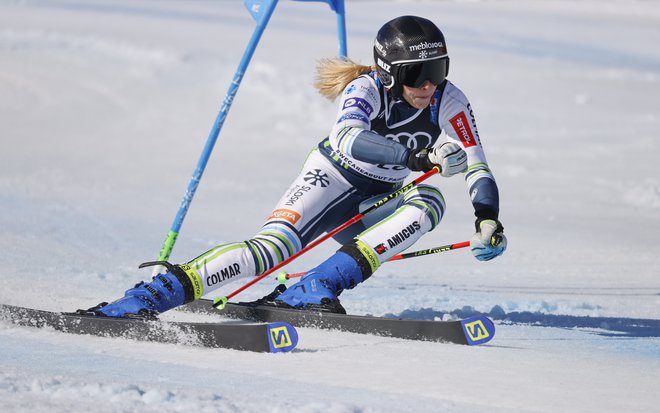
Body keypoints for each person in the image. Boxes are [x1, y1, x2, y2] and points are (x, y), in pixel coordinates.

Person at [85, 15, 507, 318]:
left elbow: (478, 165)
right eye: (417, 74)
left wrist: (488, 219)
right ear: (388, 73)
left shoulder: (449, 100)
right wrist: (416, 158)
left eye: (437, 70)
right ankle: (150, 296)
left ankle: (315, 286)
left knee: (430, 201)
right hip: (331, 179)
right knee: (270, 251)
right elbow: (348, 139)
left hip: (378, 200)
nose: (429, 85)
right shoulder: (366, 88)